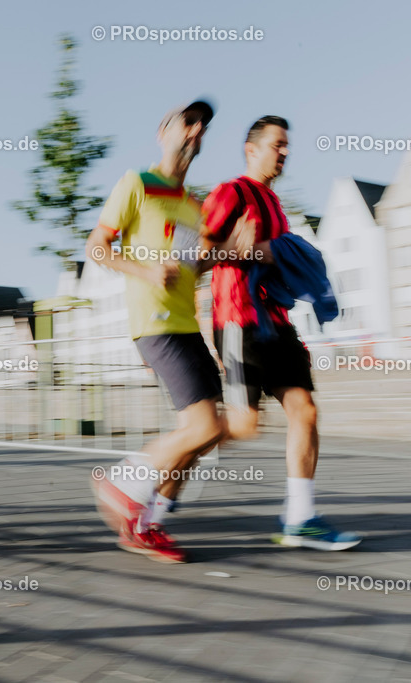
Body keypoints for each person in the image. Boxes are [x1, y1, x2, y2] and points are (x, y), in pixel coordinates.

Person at [202, 115, 360, 551]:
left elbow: (274, 259)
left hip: (276, 323)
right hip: (238, 321)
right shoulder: (230, 192)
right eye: (278, 144)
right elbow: (198, 254)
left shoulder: (273, 204)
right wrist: (246, 250)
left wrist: (277, 254)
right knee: (243, 425)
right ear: (251, 149)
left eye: (287, 145)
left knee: (304, 410)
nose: (286, 152)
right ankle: (165, 462)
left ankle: (300, 518)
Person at [86, 101, 233, 563]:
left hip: (188, 325)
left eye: (202, 126)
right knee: (203, 426)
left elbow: (194, 266)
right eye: (187, 121)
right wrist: (146, 271)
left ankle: (148, 523)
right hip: (155, 322)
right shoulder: (137, 183)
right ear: (162, 132)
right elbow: (96, 247)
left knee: (206, 434)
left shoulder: (194, 205)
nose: (196, 130)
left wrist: (227, 251)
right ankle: (121, 482)